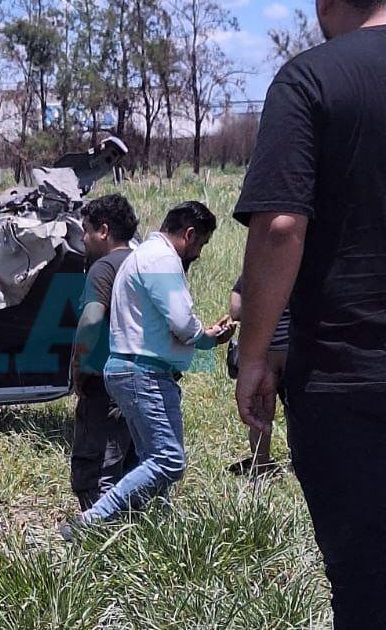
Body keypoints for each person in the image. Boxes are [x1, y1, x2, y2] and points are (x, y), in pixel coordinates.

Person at [233, 1, 386, 623]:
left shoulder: (310, 79)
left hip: (347, 383)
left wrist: (253, 355)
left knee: (367, 589)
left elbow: (280, 226)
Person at [67, 202, 234, 534]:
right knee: (168, 460)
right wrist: (208, 338)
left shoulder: (143, 255)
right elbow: (183, 323)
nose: (198, 254)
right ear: (189, 234)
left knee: (148, 460)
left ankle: (155, 528)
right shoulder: (161, 259)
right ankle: (91, 521)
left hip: (129, 369)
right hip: (144, 372)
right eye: (200, 244)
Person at [68, 195, 139, 511]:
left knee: (96, 472)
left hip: (104, 382)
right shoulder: (144, 263)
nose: (83, 238)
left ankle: (99, 533)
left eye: (86, 230)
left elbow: (92, 320)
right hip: (143, 381)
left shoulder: (102, 268)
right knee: (134, 467)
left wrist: (78, 364)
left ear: (104, 231)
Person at [225, 276, 287, 477]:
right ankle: (301, 463)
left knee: (259, 415)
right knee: (299, 412)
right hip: (295, 348)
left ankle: (261, 467)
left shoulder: (257, 272)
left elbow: (236, 311)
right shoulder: (304, 268)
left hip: (262, 350)